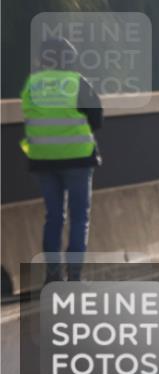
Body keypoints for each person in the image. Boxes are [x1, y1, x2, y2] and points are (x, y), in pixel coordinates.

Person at [20, 38, 103, 282]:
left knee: (53, 217)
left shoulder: (32, 84)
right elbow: (97, 118)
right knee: (79, 217)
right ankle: (74, 275)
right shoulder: (76, 82)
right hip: (78, 158)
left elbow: (29, 115)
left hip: (43, 159)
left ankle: (52, 274)